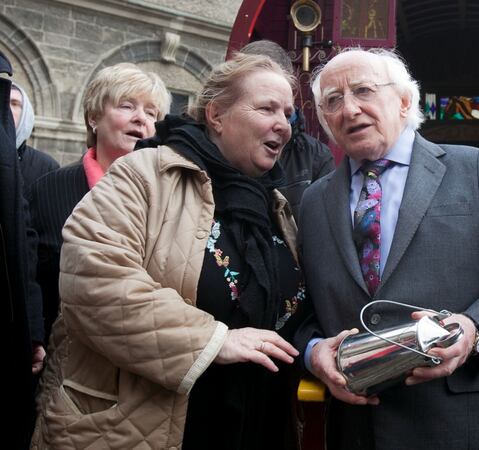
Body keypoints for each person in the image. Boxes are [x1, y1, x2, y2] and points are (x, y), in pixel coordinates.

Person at [31, 53, 307, 449]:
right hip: (144, 427)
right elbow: (93, 279)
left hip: (256, 423)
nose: (283, 124)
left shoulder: (275, 206)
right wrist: (212, 341)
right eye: (266, 108)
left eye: (288, 113)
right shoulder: (144, 174)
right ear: (216, 115)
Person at [295, 47, 479, 450]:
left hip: (462, 424)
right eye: (332, 100)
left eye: (363, 91)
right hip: (358, 427)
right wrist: (314, 353)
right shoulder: (313, 202)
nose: (349, 110)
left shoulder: (471, 168)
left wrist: (472, 331)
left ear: (403, 101)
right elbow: (306, 309)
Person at [28, 63, 170, 345]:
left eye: (151, 112)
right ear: (94, 117)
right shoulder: (48, 189)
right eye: (127, 106)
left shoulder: (172, 196)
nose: (141, 118)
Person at [1, 48, 44, 450]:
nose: (7, 110)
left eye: (14, 102)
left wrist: (34, 331)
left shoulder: (38, 168)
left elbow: (29, 252)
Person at [239, 39, 335, 214]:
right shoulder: (201, 151)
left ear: (291, 90)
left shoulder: (316, 157)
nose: (280, 126)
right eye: (265, 107)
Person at [9, 82, 59, 192]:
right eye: (3, 102)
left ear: (25, 114)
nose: (8, 108)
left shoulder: (46, 167)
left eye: (14, 103)